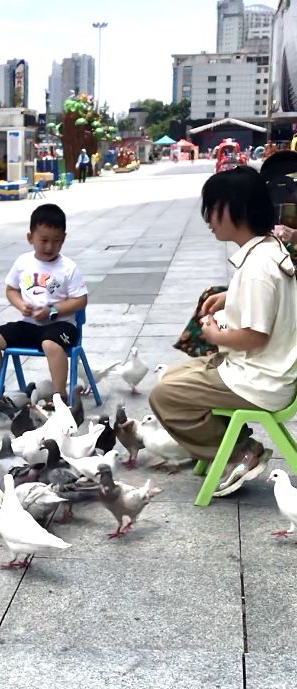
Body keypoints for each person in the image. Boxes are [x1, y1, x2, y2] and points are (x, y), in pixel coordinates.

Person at [150, 166, 297, 497]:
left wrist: (215, 336)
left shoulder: (258, 268)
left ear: (237, 211)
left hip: (259, 379)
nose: (208, 219)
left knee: (164, 396)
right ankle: (231, 444)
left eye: (213, 209)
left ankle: (238, 454)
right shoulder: (268, 247)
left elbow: (255, 336)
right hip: (264, 369)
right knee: (170, 377)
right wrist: (230, 296)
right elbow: (269, 301)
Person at [0, 203, 88, 403]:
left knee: (50, 344)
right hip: (29, 325)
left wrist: (53, 310)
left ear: (64, 238)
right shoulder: (23, 262)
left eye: (56, 241)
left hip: (62, 327)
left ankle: (59, 395)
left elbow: (81, 300)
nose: (49, 247)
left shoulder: (68, 268)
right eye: (44, 240)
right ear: (30, 237)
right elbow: (11, 290)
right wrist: (20, 305)